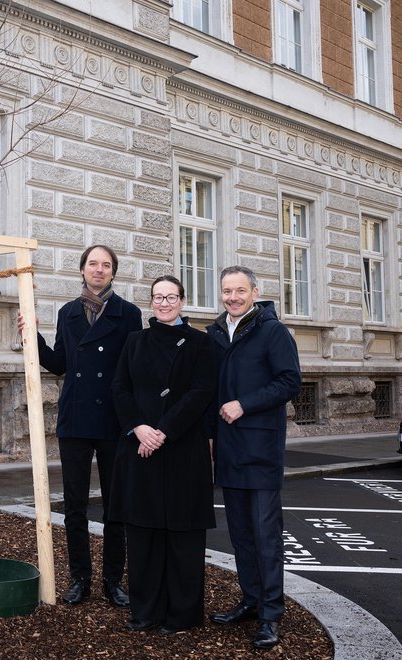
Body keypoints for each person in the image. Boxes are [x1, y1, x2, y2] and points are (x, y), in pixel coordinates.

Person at [19, 244, 141, 607]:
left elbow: (132, 370)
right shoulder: (68, 312)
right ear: (83, 269)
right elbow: (59, 363)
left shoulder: (129, 314)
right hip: (76, 418)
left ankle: (113, 581)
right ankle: (80, 578)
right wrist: (33, 337)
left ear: (113, 272)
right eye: (93, 264)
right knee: (74, 505)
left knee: (115, 506)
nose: (99, 270)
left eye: (105, 265)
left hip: (113, 421)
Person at [110, 276, 216, 634]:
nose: (164, 303)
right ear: (151, 302)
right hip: (140, 450)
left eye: (171, 297)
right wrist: (139, 428)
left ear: (183, 301)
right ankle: (145, 612)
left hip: (183, 450)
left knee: (183, 539)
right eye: (158, 297)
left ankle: (182, 616)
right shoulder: (134, 341)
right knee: (143, 537)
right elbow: (120, 389)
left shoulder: (201, 343)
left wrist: (163, 431)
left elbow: (201, 393)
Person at [206, 265, 301, 650]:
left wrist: (245, 404)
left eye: (240, 290)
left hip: (260, 449)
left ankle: (270, 614)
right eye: (227, 291)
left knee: (265, 536)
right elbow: (211, 392)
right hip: (227, 449)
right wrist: (209, 438)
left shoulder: (272, 331)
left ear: (254, 291)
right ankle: (250, 599)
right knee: (241, 535)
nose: (232, 297)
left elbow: (289, 382)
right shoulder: (214, 334)